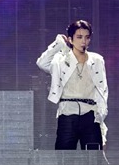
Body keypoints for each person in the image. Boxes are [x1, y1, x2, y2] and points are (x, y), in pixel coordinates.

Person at [36, 20, 107, 149]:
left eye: (87, 37)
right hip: (67, 113)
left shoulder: (97, 60)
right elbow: (42, 63)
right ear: (70, 39)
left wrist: (101, 118)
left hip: (91, 114)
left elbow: (103, 89)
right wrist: (58, 43)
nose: (83, 41)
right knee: (64, 157)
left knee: (93, 157)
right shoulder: (61, 60)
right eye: (79, 37)